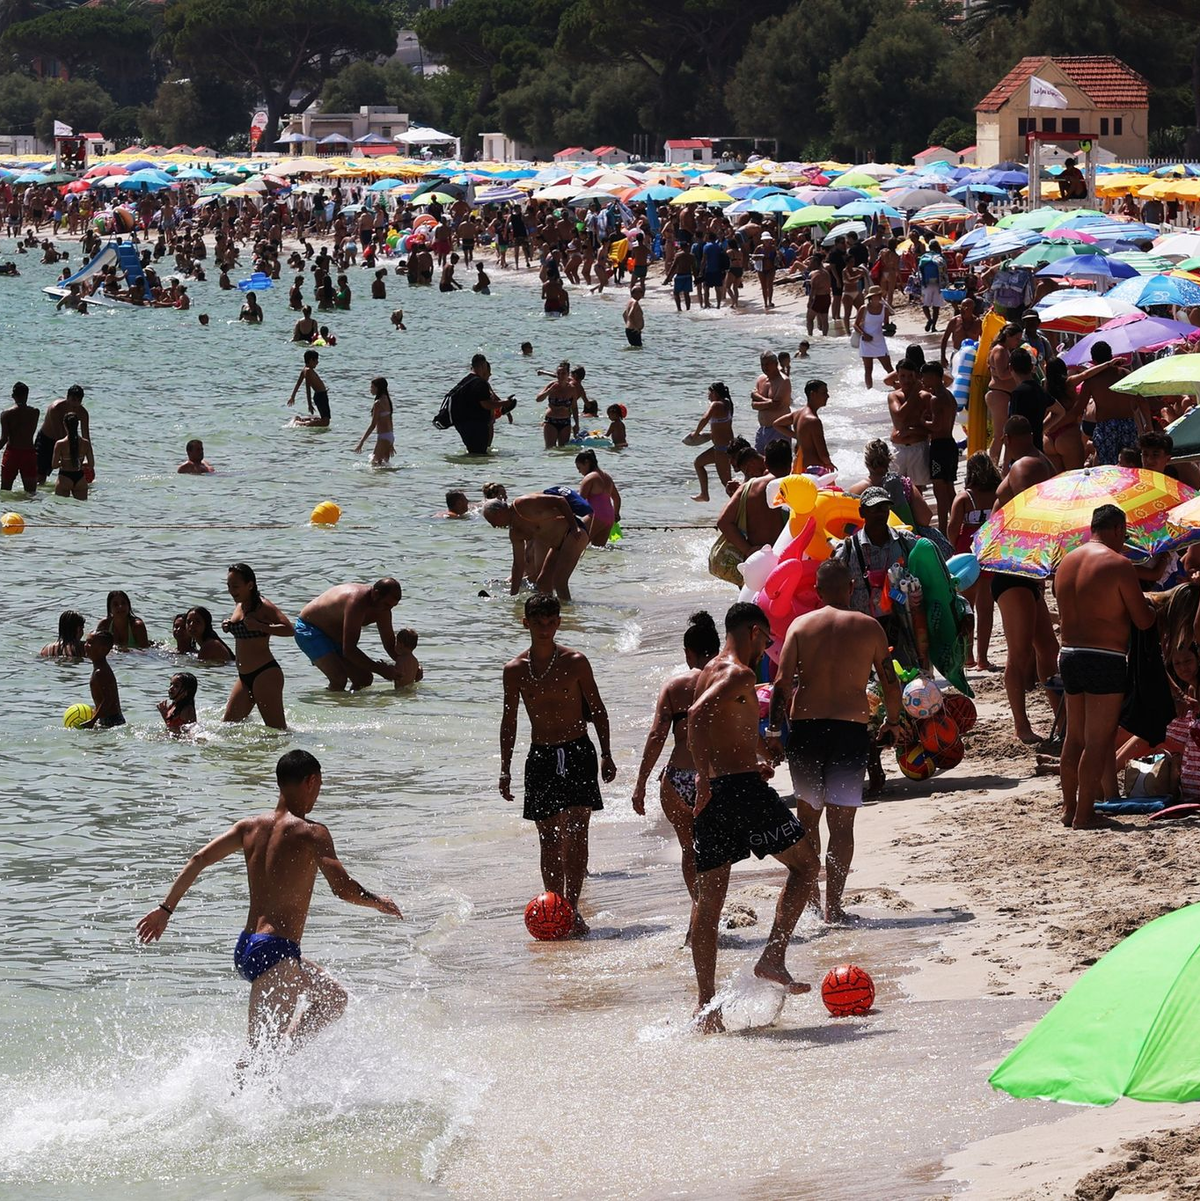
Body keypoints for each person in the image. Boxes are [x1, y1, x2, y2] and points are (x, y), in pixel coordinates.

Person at [135, 749, 403, 1060]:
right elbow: (341, 888)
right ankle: (237, 1099)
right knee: (258, 1059)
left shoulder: (249, 827)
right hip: (277, 953)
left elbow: (199, 860)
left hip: (249, 945)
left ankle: (284, 1054)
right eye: (319, 785)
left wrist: (165, 910)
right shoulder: (312, 832)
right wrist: (377, 902)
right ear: (311, 781)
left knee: (332, 999)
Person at [687, 602, 820, 1033]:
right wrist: (706, 778)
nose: (767, 648)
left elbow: (717, 724)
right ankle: (773, 956)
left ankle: (708, 1008)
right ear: (752, 631)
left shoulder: (709, 668)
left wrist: (756, 755)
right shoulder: (739, 673)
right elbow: (695, 716)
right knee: (806, 866)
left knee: (709, 903)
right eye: (766, 639)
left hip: (726, 788)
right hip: (739, 791)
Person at [769, 560, 902, 923]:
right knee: (842, 826)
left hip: (806, 730)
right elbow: (890, 682)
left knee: (807, 822)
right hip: (849, 730)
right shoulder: (869, 627)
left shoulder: (800, 626)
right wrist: (892, 722)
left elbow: (781, 684)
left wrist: (771, 732)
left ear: (817, 589)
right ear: (850, 588)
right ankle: (834, 907)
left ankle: (809, 903)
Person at [499, 594, 617, 937]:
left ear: (559, 623)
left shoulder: (576, 662)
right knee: (549, 838)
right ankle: (556, 905)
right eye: (539, 623)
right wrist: (505, 768)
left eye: (551, 623)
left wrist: (607, 753)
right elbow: (510, 721)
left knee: (577, 833)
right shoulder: (515, 670)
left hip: (578, 750)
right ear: (526, 624)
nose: (545, 629)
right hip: (542, 756)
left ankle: (573, 907)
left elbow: (597, 708)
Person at [1055, 505, 1156, 829]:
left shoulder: (1066, 563)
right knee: (1098, 741)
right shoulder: (1119, 564)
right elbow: (1142, 620)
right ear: (1116, 529)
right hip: (1105, 658)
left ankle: (1069, 809)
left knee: (1074, 739)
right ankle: (1085, 814)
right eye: (1124, 535)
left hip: (1069, 655)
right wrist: (1153, 608)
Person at [631, 612, 721, 938]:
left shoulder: (674, 687)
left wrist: (640, 784)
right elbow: (740, 730)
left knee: (689, 850)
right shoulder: (727, 679)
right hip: (713, 780)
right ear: (717, 647)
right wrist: (761, 759)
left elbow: (656, 737)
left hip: (675, 779)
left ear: (688, 653)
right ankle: (705, 918)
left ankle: (698, 915)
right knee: (713, 854)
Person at [991, 417, 1059, 744]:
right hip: (1011, 568)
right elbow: (1031, 516)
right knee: (1019, 652)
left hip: (1021, 566)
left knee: (1048, 647)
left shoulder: (1023, 465)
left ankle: (1061, 716)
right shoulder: (1028, 466)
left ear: (1007, 437)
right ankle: (1022, 725)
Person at [293, 579, 403, 691]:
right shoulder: (356, 602)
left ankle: (349, 706)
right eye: (386, 604)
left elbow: (389, 644)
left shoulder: (384, 610)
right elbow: (349, 650)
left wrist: (408, 663)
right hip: (310, 628)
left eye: (392, 606)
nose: (388, 609)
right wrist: (381, 669)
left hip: (335, 635)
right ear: (375, 594)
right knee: (339, 679)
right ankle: (325, 706)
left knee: (363, 679)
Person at [947, 452, 1001, 671]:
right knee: (986, 608)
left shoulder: (963, 498)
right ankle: (983, 659)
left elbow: (952, 530)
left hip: (966, 553)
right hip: (988, 550)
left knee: (966, 608)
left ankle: (968, 656)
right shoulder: (998, 495)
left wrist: (953, 550)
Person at [222, 562, 292, 730]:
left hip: (265, 674)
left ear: (250, 585)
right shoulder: (239, 605)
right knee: (227, 728)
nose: (232, 591)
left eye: (236, 586)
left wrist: (261, 626)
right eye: (229, 586)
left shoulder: (263, 606)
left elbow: (290, 630)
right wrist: (228, 625)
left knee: (277, 731)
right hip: (244, 677)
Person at [483, 493, 590, 602]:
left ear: (499, 513)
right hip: (557, 545)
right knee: (543, 582)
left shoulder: (522, 504)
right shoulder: (515, 533)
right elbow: (518, 565)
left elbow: (560, 501)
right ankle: (552, 610)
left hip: (573, 534)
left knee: (560, 581)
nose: (494, 526)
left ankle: (569, 612)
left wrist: (574, 527)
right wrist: (513, 597)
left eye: (492, 521)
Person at [1077, 343, 1145, 466]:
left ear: (1093, 361)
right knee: (1130, 466)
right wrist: (1148, 426)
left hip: (1106, 427)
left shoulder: (1091, 381)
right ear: (1111, 356)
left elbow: (1079, 408)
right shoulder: (1125, 374)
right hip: (1128, 425)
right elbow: (1142, 400)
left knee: (1108, 468)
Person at [921, 361, 958, 533]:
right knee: (949, 488)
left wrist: (921, 421)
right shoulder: (950, 396)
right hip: (950, 445)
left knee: (940, 491)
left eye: (925, 376)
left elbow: (935, 426)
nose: (922, 380)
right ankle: (957, 524)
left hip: (939, 446)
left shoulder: (936, 399)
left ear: (934, 377)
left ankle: (943, 529)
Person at [446, 354, 505, 455]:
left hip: (462, 423)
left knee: (476, 452)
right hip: (474, 425)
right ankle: (479, 469)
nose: (489, 374)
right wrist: (506, 403)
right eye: (487, 368)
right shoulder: (480, 383)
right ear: (482, 366)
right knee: (479, 453)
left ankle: (474, 469)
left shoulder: (466, 381)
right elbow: (487, 404)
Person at [774, 379, 835, 475]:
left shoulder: (798, 413)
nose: (827, 396)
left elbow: (777, 424)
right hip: (814, 470)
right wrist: (829, 464)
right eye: (824, 393)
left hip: (799, 466)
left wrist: (797, 436)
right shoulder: (813, 420)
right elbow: (822, 452)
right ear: (813, 394)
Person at [888, 360, 931, 490]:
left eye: (910, 376)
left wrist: (912, 431)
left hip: (918, 447)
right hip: (898, 448)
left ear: (916, 376)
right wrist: (913, 394)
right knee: (896, 489)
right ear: (897, 377)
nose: (906, 380)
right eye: (902, 376)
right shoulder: (893, 396)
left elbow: (931, 427)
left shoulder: (925, 397)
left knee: (917, 489)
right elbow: (900, 415)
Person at [689, 382, 735, 502]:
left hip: (722, 450)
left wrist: (696, 433)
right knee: (698, 463)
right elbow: (722, 427)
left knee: (727, 483)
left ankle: (740, 506)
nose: (708, 396)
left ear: (715, 393)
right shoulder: (727, 403)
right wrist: (708, 436)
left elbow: (705, 418)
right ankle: (704, 494)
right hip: (724, 447)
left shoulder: (716, 405)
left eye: (709, 393)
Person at [35, 384, 89, 486]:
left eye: (78, 400)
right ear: (67, 397)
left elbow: (86, 437)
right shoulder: (56, 408)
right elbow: (58, 434)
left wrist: (86, 457)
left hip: (69, 440)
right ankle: (36, 497)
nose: (75, 404)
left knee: (74, 471)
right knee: (40, 475)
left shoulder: (83, 413)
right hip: (47, 440)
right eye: (73, 399)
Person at [1006, 347, 1053, 455]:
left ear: (1010, 368)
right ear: (1031, 367)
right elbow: (1059, 411)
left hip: (1020, 450)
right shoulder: (1039, 389)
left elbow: (1013, 427)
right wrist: (1041, 427)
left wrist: (1006, 464)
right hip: (1037, 448)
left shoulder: (1017, 393)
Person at [986, 325, 1021, 462]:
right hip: (999, 394)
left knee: (1005, 433)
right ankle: (992, 465)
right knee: (999, 434)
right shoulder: (1000, 350)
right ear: (1008, 336)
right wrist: (1018, 370)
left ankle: (1000, 463)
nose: (1017, 342)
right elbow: (1002, 374)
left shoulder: (1005, 350)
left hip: (1004, 394)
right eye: (1016, 339)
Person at [575, 449, 620, 546]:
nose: (579, 472)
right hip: (609, 518)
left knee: (577, 545)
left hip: (596, 516)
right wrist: (616, 514)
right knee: (598, 549)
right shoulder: (607, 477)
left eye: (579, 467)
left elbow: (580, 501)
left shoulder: (589, 478)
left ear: (587, 463)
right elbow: (617, 498)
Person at [750, 352, 792, 453]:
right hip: (762, 428)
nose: (765, 367)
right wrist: (769, 402)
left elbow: (776, 406)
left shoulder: (784, 381)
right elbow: (753, 405)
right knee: (759, 464)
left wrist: (758, 398)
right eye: (762, 364)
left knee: (778, 464)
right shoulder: (761, 379)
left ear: (776, 363)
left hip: (779, 430)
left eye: (768, 364)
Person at [0, 381, 38, 493]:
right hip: (29, 453)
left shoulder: (6, 414)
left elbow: (4, 438)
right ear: (27, 395)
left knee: (5, 491)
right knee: (31, 493)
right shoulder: (35, 412)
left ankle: (7, 510)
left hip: (12, 453)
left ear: (13, 396)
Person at [82, 630, 124, 728]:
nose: (86, 645)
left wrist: (93, 721)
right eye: (86, 642)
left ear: (104, 649)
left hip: (111, 721)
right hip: (111, 719)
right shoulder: (101, 669)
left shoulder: (100, 672)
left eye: (90, 643)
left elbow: (108, 700)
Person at [854, 286, 893, 388]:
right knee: (868, 369)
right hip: (866, 341)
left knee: (888, 367)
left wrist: (890, 330)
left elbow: (886, 325)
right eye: (874, 296)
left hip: (879, 340)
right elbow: (855, 325)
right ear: (870, 297)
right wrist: (864, 334)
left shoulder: (884, 309)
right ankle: (869, 391)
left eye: (878, 296)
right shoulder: (864, 308)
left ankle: (899, 387)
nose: (876, 298)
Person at [50, 412, 93, 500]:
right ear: (78, 424)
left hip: (64, 478)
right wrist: (79, 463)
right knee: (80, 509)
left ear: (64, 424)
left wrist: (63, 462)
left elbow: (54, 465)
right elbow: (91, 464)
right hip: (80, 478)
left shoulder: (60, 444)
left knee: (61, 510)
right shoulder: (85, 443)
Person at [537, 360, 579, 449]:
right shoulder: (552, 385)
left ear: (568, 375)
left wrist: (577, 424)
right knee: (549, 448)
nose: (560, 376)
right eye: (558, 373)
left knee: (563, 449)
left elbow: (574, 407)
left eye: (563, 373)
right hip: (551, 421)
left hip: (565, 422)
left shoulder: (572, 389)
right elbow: (538, 399)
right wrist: (549, 391)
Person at [353, 377, 394, 466]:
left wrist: (361, 442)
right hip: (389, 436)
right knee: (383, 466)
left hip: (383, 437)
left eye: (372, 387)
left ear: (378, 388)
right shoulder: (387, 400)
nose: (370, 389)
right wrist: (391, 442)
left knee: (374, 464)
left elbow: (373, 425)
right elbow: (390, 421)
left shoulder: (378, 403)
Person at [287, 349, 331, 427]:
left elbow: (297, 385)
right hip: (321, 396)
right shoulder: (308, 371)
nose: (317, 362)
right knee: (325, 422)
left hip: (321, 395)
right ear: (311, 360)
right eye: (316, 360)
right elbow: (308, 388)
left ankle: (300, 419)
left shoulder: (305, 370)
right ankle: (299, 423)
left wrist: (292, 396)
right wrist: (309, 404)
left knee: (320, 418)